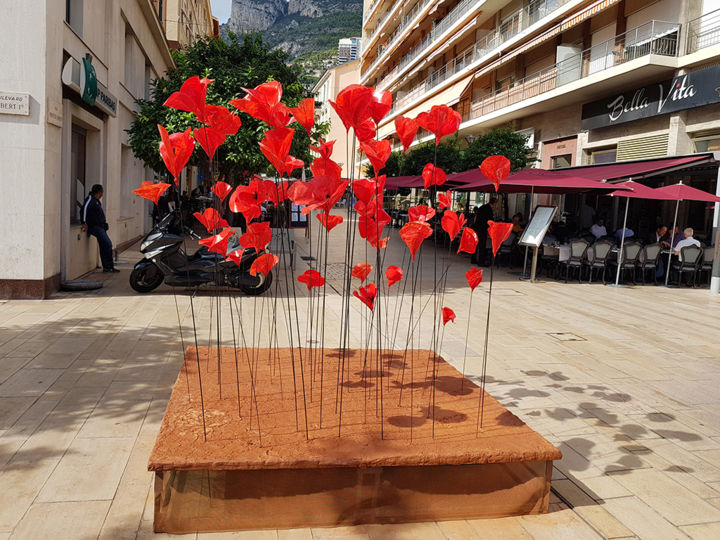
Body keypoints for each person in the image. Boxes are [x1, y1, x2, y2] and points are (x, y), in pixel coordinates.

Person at [81, 184, 119, 273]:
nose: (102, 194)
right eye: (102, 192)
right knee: (108, 244)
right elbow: (84, 210)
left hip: (100, 226)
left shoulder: (96, 201)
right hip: (95, 227)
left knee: (103, 246)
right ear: (99, 192)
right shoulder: (90, 200)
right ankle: (109, 266)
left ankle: (107, 267)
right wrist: (84, 223)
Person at [471, 198, 496, 265]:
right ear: (493, 204)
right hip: (482, 229)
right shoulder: (489, 209)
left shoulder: (482, 207)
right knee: (482, 245)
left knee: (476, 244)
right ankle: (481, 262)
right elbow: (491, 220)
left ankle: (473, 260)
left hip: (476, 228)